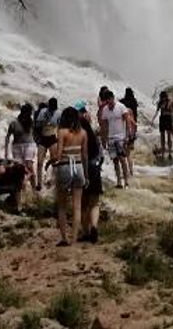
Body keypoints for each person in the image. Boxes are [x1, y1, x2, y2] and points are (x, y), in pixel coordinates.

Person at [49, 106, 89, 245]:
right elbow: (84, 156)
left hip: (65, 166)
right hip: (78, 167)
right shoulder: (83, 133)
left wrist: (51, 161)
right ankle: (74, 238)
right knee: (77, 206)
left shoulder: (62, 132)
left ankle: (64, 238)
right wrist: (87, 174)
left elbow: (58, 155)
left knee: (62, 206)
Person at [77, 102, 103, 243]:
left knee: (83, 203)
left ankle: (85, 232)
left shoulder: (79, 136)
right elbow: (100, 154)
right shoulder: (92, 135)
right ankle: (94, 226)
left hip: (83, 169)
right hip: (95, 168)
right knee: (94, 202)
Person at [98, 88, 135, 188]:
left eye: (109, 100)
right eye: (106, 101)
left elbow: (127, 120)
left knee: (122, 159)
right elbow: (104, 126)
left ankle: (126, 181)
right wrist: (103, 139)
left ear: (112, 98)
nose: (108, 103)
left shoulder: (121, 107)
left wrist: (128, 135)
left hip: (120, 137)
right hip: (111, 138)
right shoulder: (105, 110)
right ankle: (118, 181)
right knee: (115, 160)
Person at [5, 104, 36, 195]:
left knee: (29, 166)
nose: (29, 115)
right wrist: (6, 152)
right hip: (17, 147)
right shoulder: (14, 123)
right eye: (28, 113)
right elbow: (7, 137)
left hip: (29, 145)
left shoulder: (31, 122)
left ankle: (34, 190)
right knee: (20, 169)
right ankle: (23, 190)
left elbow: (37, 133)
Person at [33, 98, 59, 192]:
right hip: (43, 138)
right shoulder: (43, 112)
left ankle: (53, 180)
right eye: (51, 108)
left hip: (52, 138)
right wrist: (44, 121)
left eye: (54, 109)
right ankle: (39, 183)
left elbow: (60, 127)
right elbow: (37, 125)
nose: (52, 110)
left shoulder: (58, 113)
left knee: (54, 161)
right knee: (40, 162)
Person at [121, 88, 139, 177]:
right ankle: (131, 171)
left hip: (123, 134)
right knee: (128, 154)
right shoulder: (133, 103)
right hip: (130, 133)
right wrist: (133, 133)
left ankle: (126, 172)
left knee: (124, 154)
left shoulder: (123, 107)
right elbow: (134, 123)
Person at [153, 90, 173, 157]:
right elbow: (157, 111)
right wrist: (153, 119)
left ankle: (170, 151)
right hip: (162, 119)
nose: (163, 99)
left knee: (168, 135)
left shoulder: (169, 102)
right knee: (162, 135)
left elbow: (172, 111)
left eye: (164, 97)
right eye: (162, 97)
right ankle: (163, 152)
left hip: (168, 118)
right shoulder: (160, 103)